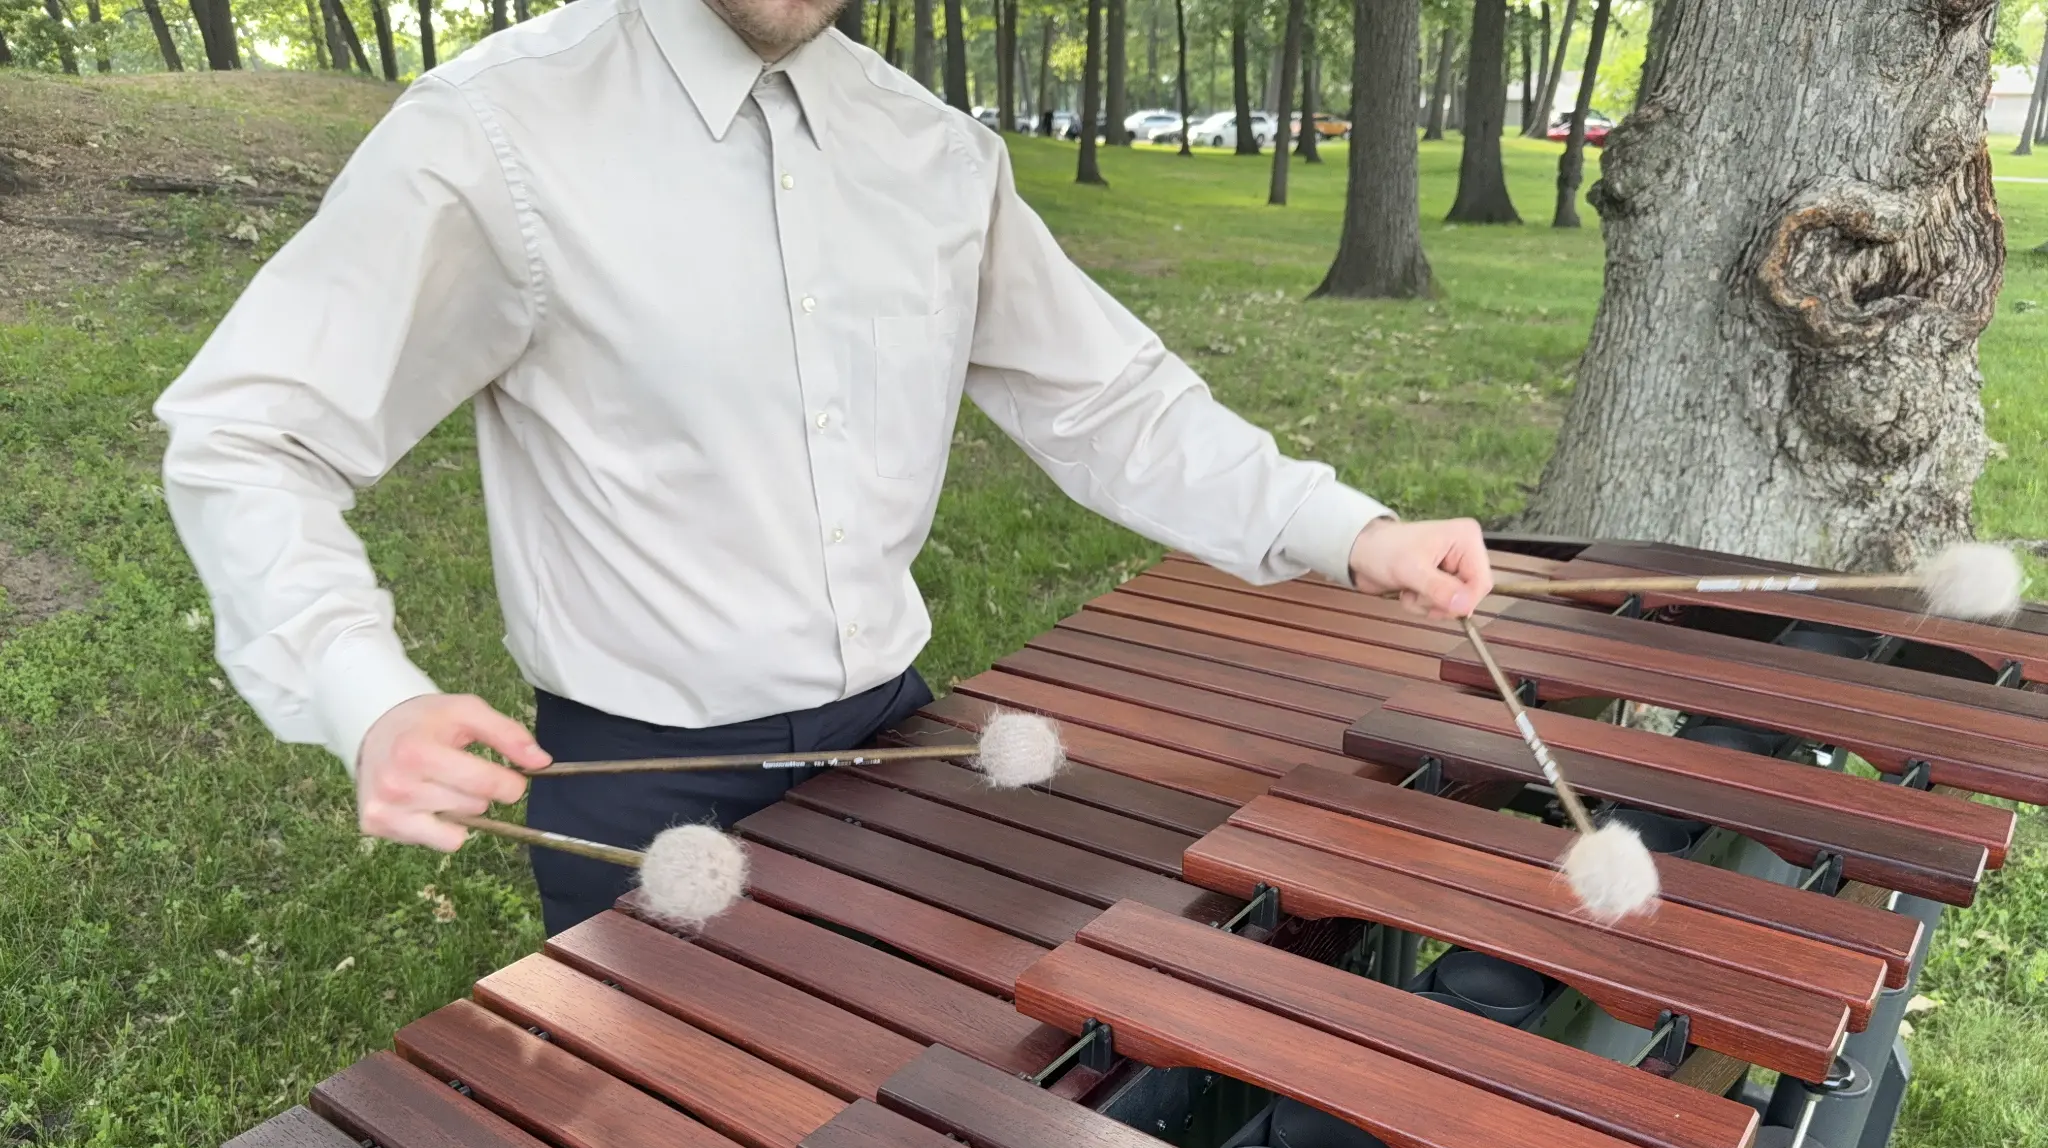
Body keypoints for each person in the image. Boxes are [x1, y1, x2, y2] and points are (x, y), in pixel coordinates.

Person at [159, 0, 1493, 936]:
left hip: (895, 741)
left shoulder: (937, 153)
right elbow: (251, 434)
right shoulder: (494, 131)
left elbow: (1109, 399)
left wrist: (1344, 529)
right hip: (640, 778)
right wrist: (365, 694)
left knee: (943, 1139)